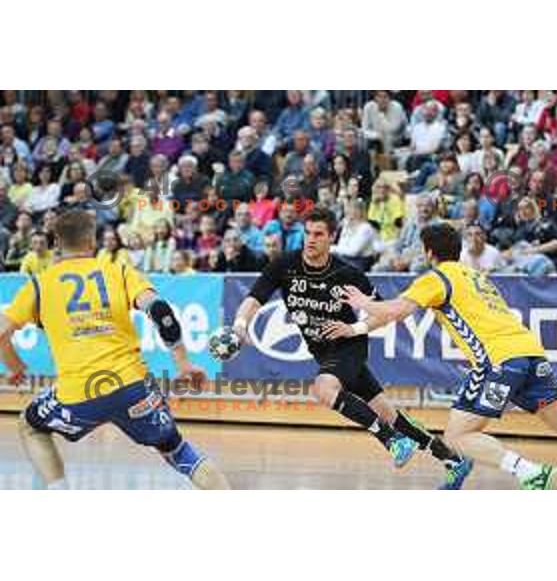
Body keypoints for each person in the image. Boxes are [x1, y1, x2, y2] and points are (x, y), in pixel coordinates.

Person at [341, 222, 557, 489]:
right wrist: (355, 329)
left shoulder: (436, 278)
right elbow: (391, 315)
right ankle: (481, 470)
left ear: (429, 253)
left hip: (498, 361)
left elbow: (395, 312)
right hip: (531, 354)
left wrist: (363, 304)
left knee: (458, 436)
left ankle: (530, 472)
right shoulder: (474, 276)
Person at [233, 208, 472, 489]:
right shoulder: (284, 265)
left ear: (331, 236)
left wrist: (354, 328)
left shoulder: (347, 273)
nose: (311, 240)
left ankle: (391, 440)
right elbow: (255, 297)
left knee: (323, 389)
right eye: (307, 233)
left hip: (349, 347)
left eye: (318, 234)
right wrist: (240, 323)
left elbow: (382, 313)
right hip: (323, 352)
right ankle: (454, 460)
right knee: (389, 415)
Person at [0, 210, 228, 489]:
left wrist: (15, 367)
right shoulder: (118, 272)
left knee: (30, 425)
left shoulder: (39, 285)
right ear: (92, 241)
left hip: (78, 393)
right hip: (133, 386)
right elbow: (160, 311)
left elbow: (1, 332)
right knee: (178, 451)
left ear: (56, 243)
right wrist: (183, 363)